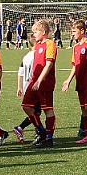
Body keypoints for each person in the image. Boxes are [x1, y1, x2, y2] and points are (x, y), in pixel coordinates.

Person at [21, 19, 57, 147]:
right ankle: (41, 131)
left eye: (36, 31)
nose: (34, 34)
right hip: (34, 81)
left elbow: (49, 63)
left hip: (45, 82)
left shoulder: (50, 44)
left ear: (43, 31)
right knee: (26, 105)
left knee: (48, 109)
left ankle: (49, 138)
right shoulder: (38, 45)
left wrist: (40, 80)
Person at [12, 35, 40, 143]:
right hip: (33, 86)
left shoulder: (26, 56)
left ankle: (35, 130)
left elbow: (20, 72)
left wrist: (19, 87)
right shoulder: (36, 56)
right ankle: (21, 128)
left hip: (26, 86)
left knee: (36, 111)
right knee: (36, 111)